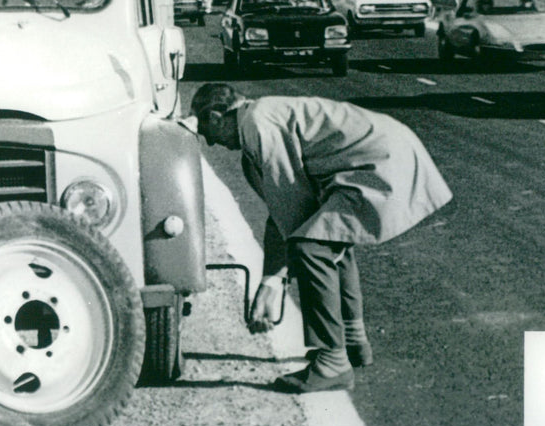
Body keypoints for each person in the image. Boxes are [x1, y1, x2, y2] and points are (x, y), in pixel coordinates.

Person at [188, 83, 453, 393]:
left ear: (217, 116)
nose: (209, 142)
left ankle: (331, 362)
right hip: (387, 150)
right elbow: (283, 214)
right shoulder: (259, 118)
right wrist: (271, 279)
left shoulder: (258, 127)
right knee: (326, 236)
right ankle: (352, 341)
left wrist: (273, 284)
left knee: (310, 247)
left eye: (206, 129)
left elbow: (293, 212)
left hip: (382, 162)